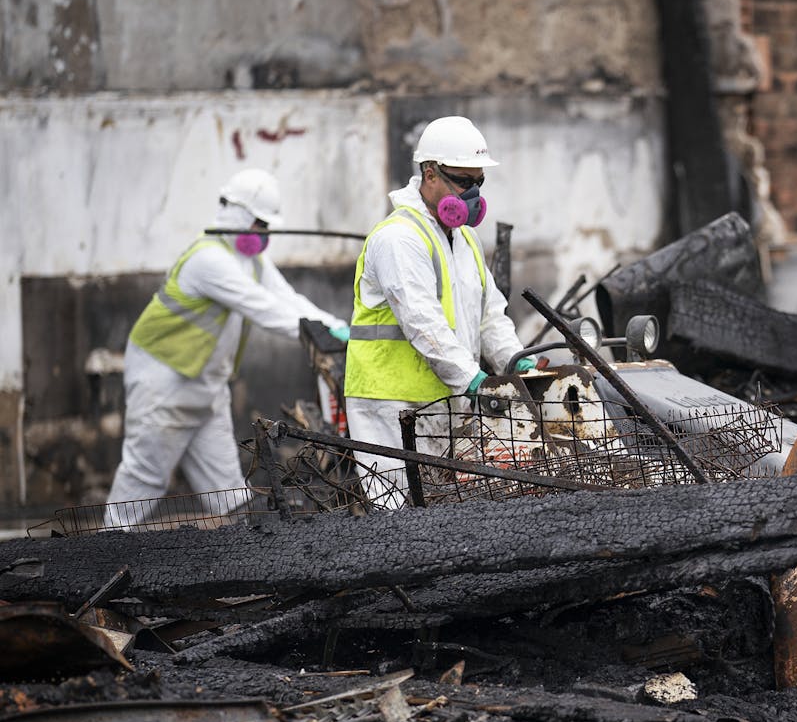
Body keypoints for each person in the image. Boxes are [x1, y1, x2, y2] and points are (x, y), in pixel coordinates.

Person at [103, 168, 350, 529]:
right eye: (259, 224)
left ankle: (256, 555)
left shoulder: (250, 260)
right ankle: (106, 548)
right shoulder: (208, 260)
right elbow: (262, 307)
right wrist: (317, 332)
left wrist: (332, 325)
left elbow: (286, 297)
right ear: (237, 214)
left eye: (267, 227)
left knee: (229, 492)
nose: (264, 235)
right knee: (144, 478)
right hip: (164, 385)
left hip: (207, 386)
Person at [344, 116, 533, 504]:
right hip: (392, 405)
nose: (473, 193)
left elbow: (490, 315)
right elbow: (422, 323)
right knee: (397, 517)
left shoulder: (465, 239)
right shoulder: (399, 238)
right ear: (430, 174)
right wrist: (474, 380)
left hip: (444, 400)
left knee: (442, 518)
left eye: (479, 181)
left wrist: (517, 364)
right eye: (463, 181)